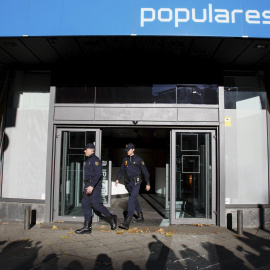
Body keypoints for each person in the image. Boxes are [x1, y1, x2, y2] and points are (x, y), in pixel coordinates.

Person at [75, 143, 117, 234]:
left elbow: (98, 174)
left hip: (94, 186)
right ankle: (87, 227)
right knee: (85, 204)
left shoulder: (95, 160)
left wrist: (92, 185)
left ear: (90, 150)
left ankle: (111, 218)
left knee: (96, 205)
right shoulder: (89, 160)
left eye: (86, 149)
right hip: (88, 185)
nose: (84, 151)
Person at [115, 143, 150, 230]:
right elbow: (121, 170)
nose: (127, 151)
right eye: (126, 150)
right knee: (134, 198)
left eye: (128, 150)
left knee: (131, 199)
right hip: (128, 183)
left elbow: (145, 172)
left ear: (133, 149)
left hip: (136, 183)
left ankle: (127, 221)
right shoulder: (125, 159)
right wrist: (117, 179)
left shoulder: (138, 159)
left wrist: (148, 183)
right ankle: (140, 216)